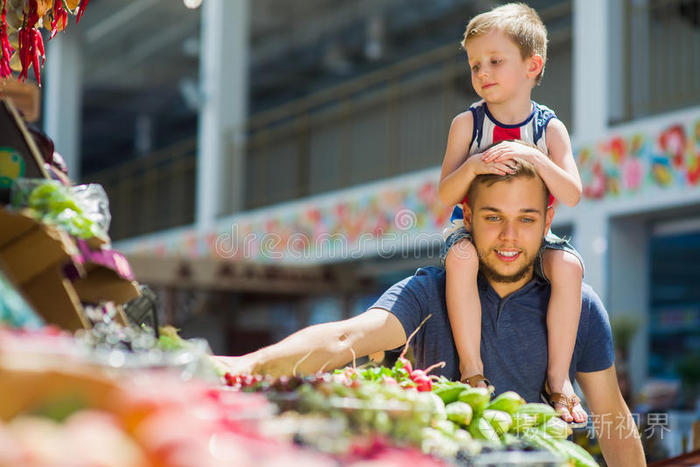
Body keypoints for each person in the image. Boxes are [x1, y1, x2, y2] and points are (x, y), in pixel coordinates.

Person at [217, 159, 646, 467]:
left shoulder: (579, 306)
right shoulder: (428, 293)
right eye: (494, 217)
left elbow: (611, 415)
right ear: (468, 218)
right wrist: (246, 365)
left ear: (548, 219)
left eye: (527, 219)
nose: (510, 236)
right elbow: (346, 339)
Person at [437, 3, 585, 423]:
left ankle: (558, 380)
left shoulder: (549, 128)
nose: (482, 72)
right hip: (471, 233)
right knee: (461, 258)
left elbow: (571, 193)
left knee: (570, 266)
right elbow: (445, 193)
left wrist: (532, 157)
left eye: (495, 62)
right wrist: (474, 166)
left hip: (531, 238)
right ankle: (472, 369)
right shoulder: (467, 125)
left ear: (531, 65)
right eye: (475, 64)